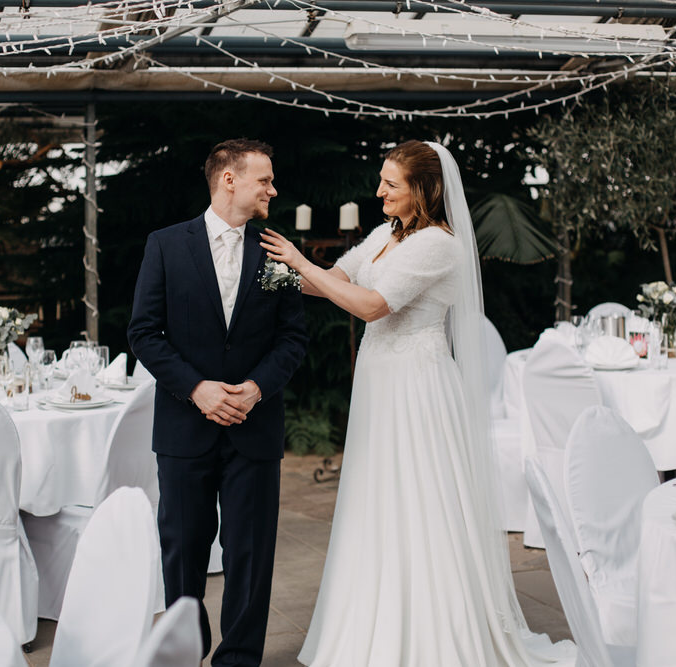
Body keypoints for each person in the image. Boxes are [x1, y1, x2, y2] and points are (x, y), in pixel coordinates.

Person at [260, 140, 575, 666]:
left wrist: (296, 257)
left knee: (421, 498)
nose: (379, 190)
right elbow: (335, 282)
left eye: (391, 183)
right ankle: (376, 617)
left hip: (418, 386)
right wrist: (278, 276)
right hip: (380, 385)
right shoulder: (386, 234)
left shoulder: (439, 246)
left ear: (424, 190)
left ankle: (432, 629)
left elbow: (371, 306)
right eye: (381, 179)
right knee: (378, 496)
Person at [127, 138, 308, 666]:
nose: (273, 188)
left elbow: (292, 338)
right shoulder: (165, 244)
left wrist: (255, 389)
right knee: (182, 552)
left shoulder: (279, 249)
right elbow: (144, 332)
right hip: (186, 427)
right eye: (265, 179)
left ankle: (239, 659)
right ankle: (186, 651)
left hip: (255, 425)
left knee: (251, 555)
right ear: (229, 179)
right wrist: (197, 388)